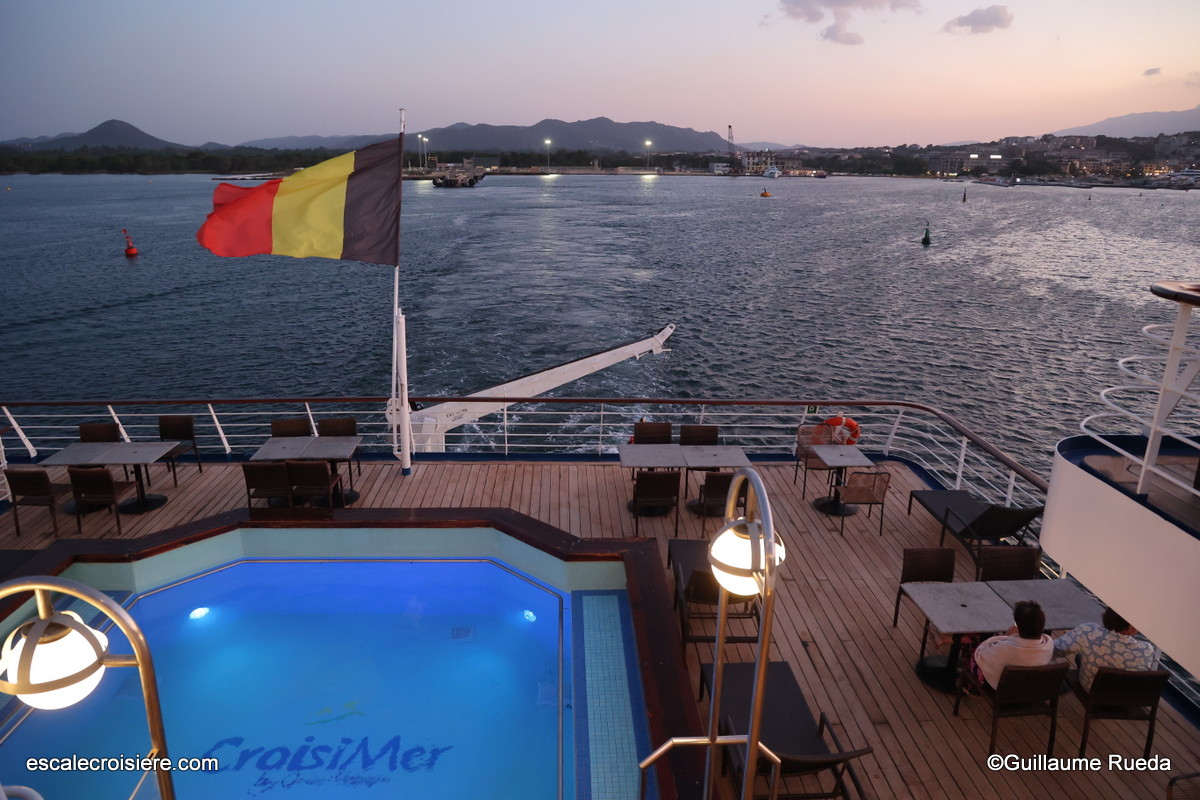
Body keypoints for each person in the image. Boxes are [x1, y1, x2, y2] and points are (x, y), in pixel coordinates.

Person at [1054, 606, 1159, 692]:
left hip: (1093, 691)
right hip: (1128, 698)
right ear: (1130, 627)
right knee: (1081, 657)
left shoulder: (1088, 631)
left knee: (1081, 656)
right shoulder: (1146, 650)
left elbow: (1056, 649)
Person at [967, 600, 1055, 690]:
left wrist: (1005, 636)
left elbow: (979, 654)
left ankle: (971, 687)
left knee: (973, 644)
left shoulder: (1005, 648)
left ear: (1019, 627)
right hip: (1029, 689)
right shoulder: (1049, 644)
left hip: (1000, 689)